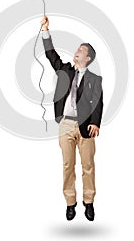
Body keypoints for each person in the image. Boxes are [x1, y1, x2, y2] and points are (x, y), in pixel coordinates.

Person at [40, 15, 104, 221]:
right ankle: (70, 203)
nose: (78, 51)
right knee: (68, 165)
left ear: (89, 58)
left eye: (82, 50)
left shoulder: (95, 79)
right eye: (78, 48)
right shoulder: (65, 70)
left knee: (88, 166)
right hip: (66, 124)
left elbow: (98, 101)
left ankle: (89, 202)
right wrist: (45, 31)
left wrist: (95, 121)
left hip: (86, 126)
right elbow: (51, 55)